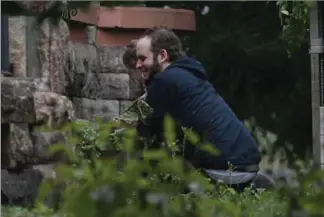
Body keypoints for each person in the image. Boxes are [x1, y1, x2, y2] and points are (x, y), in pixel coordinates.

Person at [132, 26, 262, 174]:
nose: (137, 65)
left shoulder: (164, 80)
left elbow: (148, 133)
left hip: (222, 166)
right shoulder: (189, 75)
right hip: (246, 158)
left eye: (142, 58)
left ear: (162, 55)